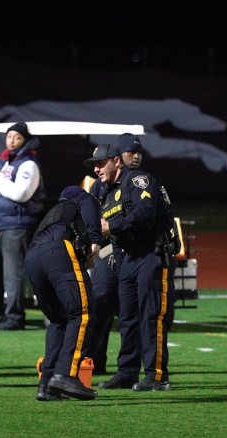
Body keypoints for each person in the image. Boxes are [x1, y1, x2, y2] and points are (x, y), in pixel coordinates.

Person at [88, 144, 177, 392]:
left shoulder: (138, 180)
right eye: (93, 165)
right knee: (127, 319)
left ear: (116, 162)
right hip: (126, 257)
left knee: (151, 316)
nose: (96, 169)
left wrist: (111, 227)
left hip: (150, 255)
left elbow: (145, 215)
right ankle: (127, 372)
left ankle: (157, 376)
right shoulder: (105, 190)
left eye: (100, 163)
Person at [26, 186, 103, 401]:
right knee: (81, 313)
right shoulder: (78, 197)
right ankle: (66, 375)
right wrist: (96, 241)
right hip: (57, 251)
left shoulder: (53, 215)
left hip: (33, 258)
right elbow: (85, 200)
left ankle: (47, 385)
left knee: (58, 320)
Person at [0, 122, 46, 331]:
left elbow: (21, 194)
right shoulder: (2, 160)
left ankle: (15, 316)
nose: (12, 140)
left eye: (17, 137)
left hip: (17, 225)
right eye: (9, 136)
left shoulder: (29, 163)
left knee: (13, 272)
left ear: (25, 139)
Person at [87, 133, 145, 375]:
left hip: (132, 251)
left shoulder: (140, 181)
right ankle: (94, 362)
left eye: (139, 152)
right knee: (100, 304)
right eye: (132, 153)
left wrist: (112, 226)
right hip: (109, 251)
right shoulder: (99, 185)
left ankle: (130, 368)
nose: (137, 157)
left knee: (133, 314)